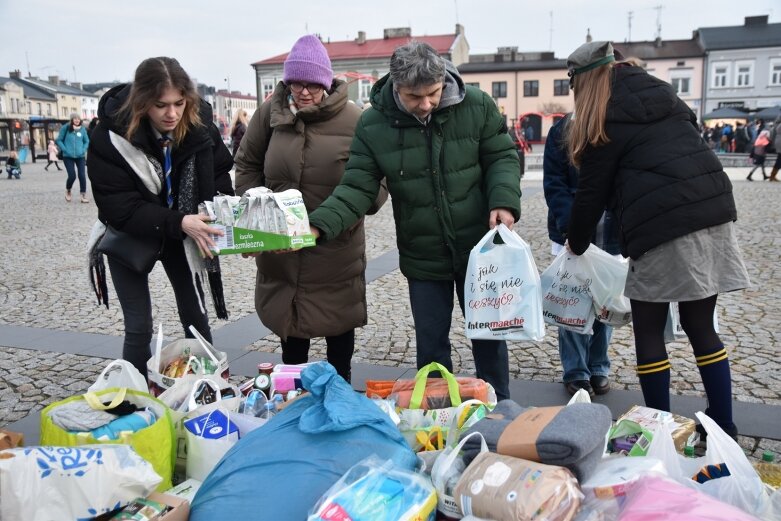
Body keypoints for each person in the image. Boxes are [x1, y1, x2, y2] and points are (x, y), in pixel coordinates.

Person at [306, 41, 521, 400]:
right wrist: (318, 224)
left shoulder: (477, 105)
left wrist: (504, 202)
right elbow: (357, 186)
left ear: (443, 81)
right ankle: (437, 415)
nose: (425, 104)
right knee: (432, 346)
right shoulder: (374, 124)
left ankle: (500, 406)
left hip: (480, 252)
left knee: (488, 338)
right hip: (422, 254)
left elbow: (501, 155)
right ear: (396, 87)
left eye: (433, 94)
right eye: (413, 97)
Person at [563, 41, 750, 438]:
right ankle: (723, 423)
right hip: (714, 211)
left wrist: (576, 244)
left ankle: (659, 428)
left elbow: (589, 196)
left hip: (663, 224)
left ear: (583, 84)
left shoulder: (603, 120)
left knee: (648, 328)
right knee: (701, 326)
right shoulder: (663, 95)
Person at [234, 35, 387, 383]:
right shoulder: (267, 115)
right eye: (295, 84)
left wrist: (337, 218)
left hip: (335, 249)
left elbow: (375, 186)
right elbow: (246, 165)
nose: (303, 92)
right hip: (282, 254)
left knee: (339, 349)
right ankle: (296, 406)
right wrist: (255, 220)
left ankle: (339, 408)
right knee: (292, 355)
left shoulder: (356, 120)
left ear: (327, 82)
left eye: (313, 85)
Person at [87, 57, 234, 379]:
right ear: (142, 103)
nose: (171, 114)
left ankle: (209, 386)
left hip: (185, 231)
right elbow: (119, 206)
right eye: (160, 105)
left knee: (196, 314)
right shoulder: (110, 137)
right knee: (139, 325)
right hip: (131, 232)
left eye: (179, 103)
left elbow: (220, 171)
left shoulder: (199, 126)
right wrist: (180, 220)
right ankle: (137, 397)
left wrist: (218, 213)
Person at [543, 114, 621, 397]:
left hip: (612, 234)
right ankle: (576, 370)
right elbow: (554, 184)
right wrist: (570, 229)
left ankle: (598, 366)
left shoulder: (618, 125)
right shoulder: (563, 130)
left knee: (605, 305)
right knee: (572, 303)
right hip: (571, 233)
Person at [56, 113, 90, 203]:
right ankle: (68, 190)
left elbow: (87, 141)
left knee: (82, 175)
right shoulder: (66, 128)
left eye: (78, 119)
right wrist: (64, 149)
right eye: (75, 118)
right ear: (71, 120)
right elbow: (58, 140)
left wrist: (83, 149)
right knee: (72, 176)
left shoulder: (82, 129)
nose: (77, 120)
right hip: (68, 156)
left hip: (80, 156)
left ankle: (83, 195)